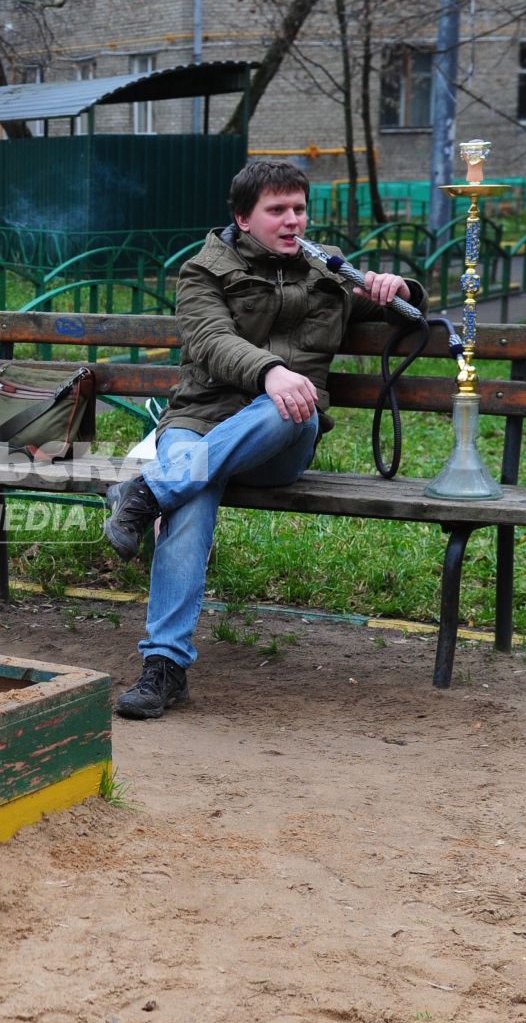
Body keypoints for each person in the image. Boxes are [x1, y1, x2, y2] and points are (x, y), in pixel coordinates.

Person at [102, 159, 424, 720]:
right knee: (194, 493)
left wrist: (398, 286)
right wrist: (271, 371)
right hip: (199, 423)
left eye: (299, 208)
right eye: (277, 210)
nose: (292, 220)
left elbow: (405, 311)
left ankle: (145, 494)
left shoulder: (330, 272)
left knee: (289, 412)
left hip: (281, 439)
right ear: (243, 218)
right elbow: (210, 340)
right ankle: (164, 668)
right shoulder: (203, 271)